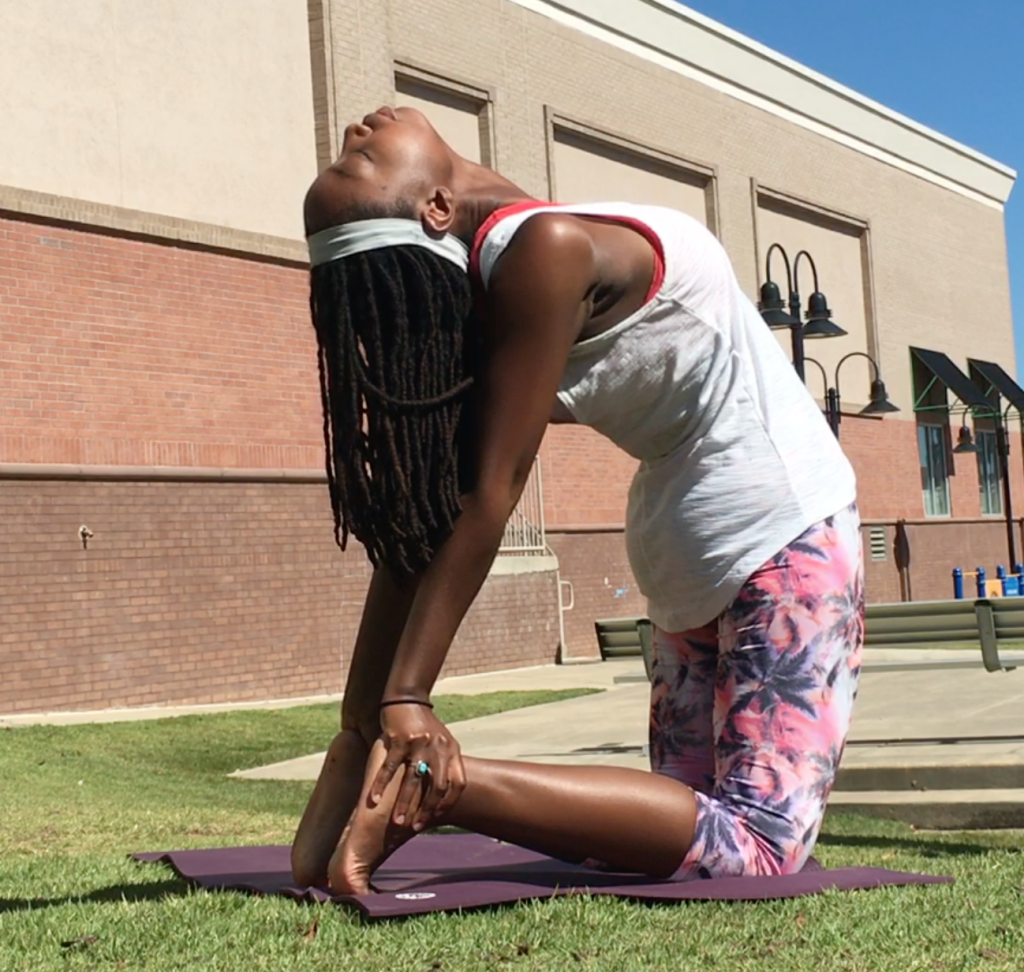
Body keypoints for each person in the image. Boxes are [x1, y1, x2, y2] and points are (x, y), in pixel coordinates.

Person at [290, 105, 864, 894]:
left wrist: (372, 719)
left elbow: (443, 514)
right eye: (354, 164)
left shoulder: (513, 279)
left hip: (687, 541)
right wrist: (389, 709)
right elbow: (483, 496)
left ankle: (426, 783)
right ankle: (440, 785)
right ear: (435, 209)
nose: (354, 134)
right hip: (785, 529)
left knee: (686, 824)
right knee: (754, 847)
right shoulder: (543, 253)